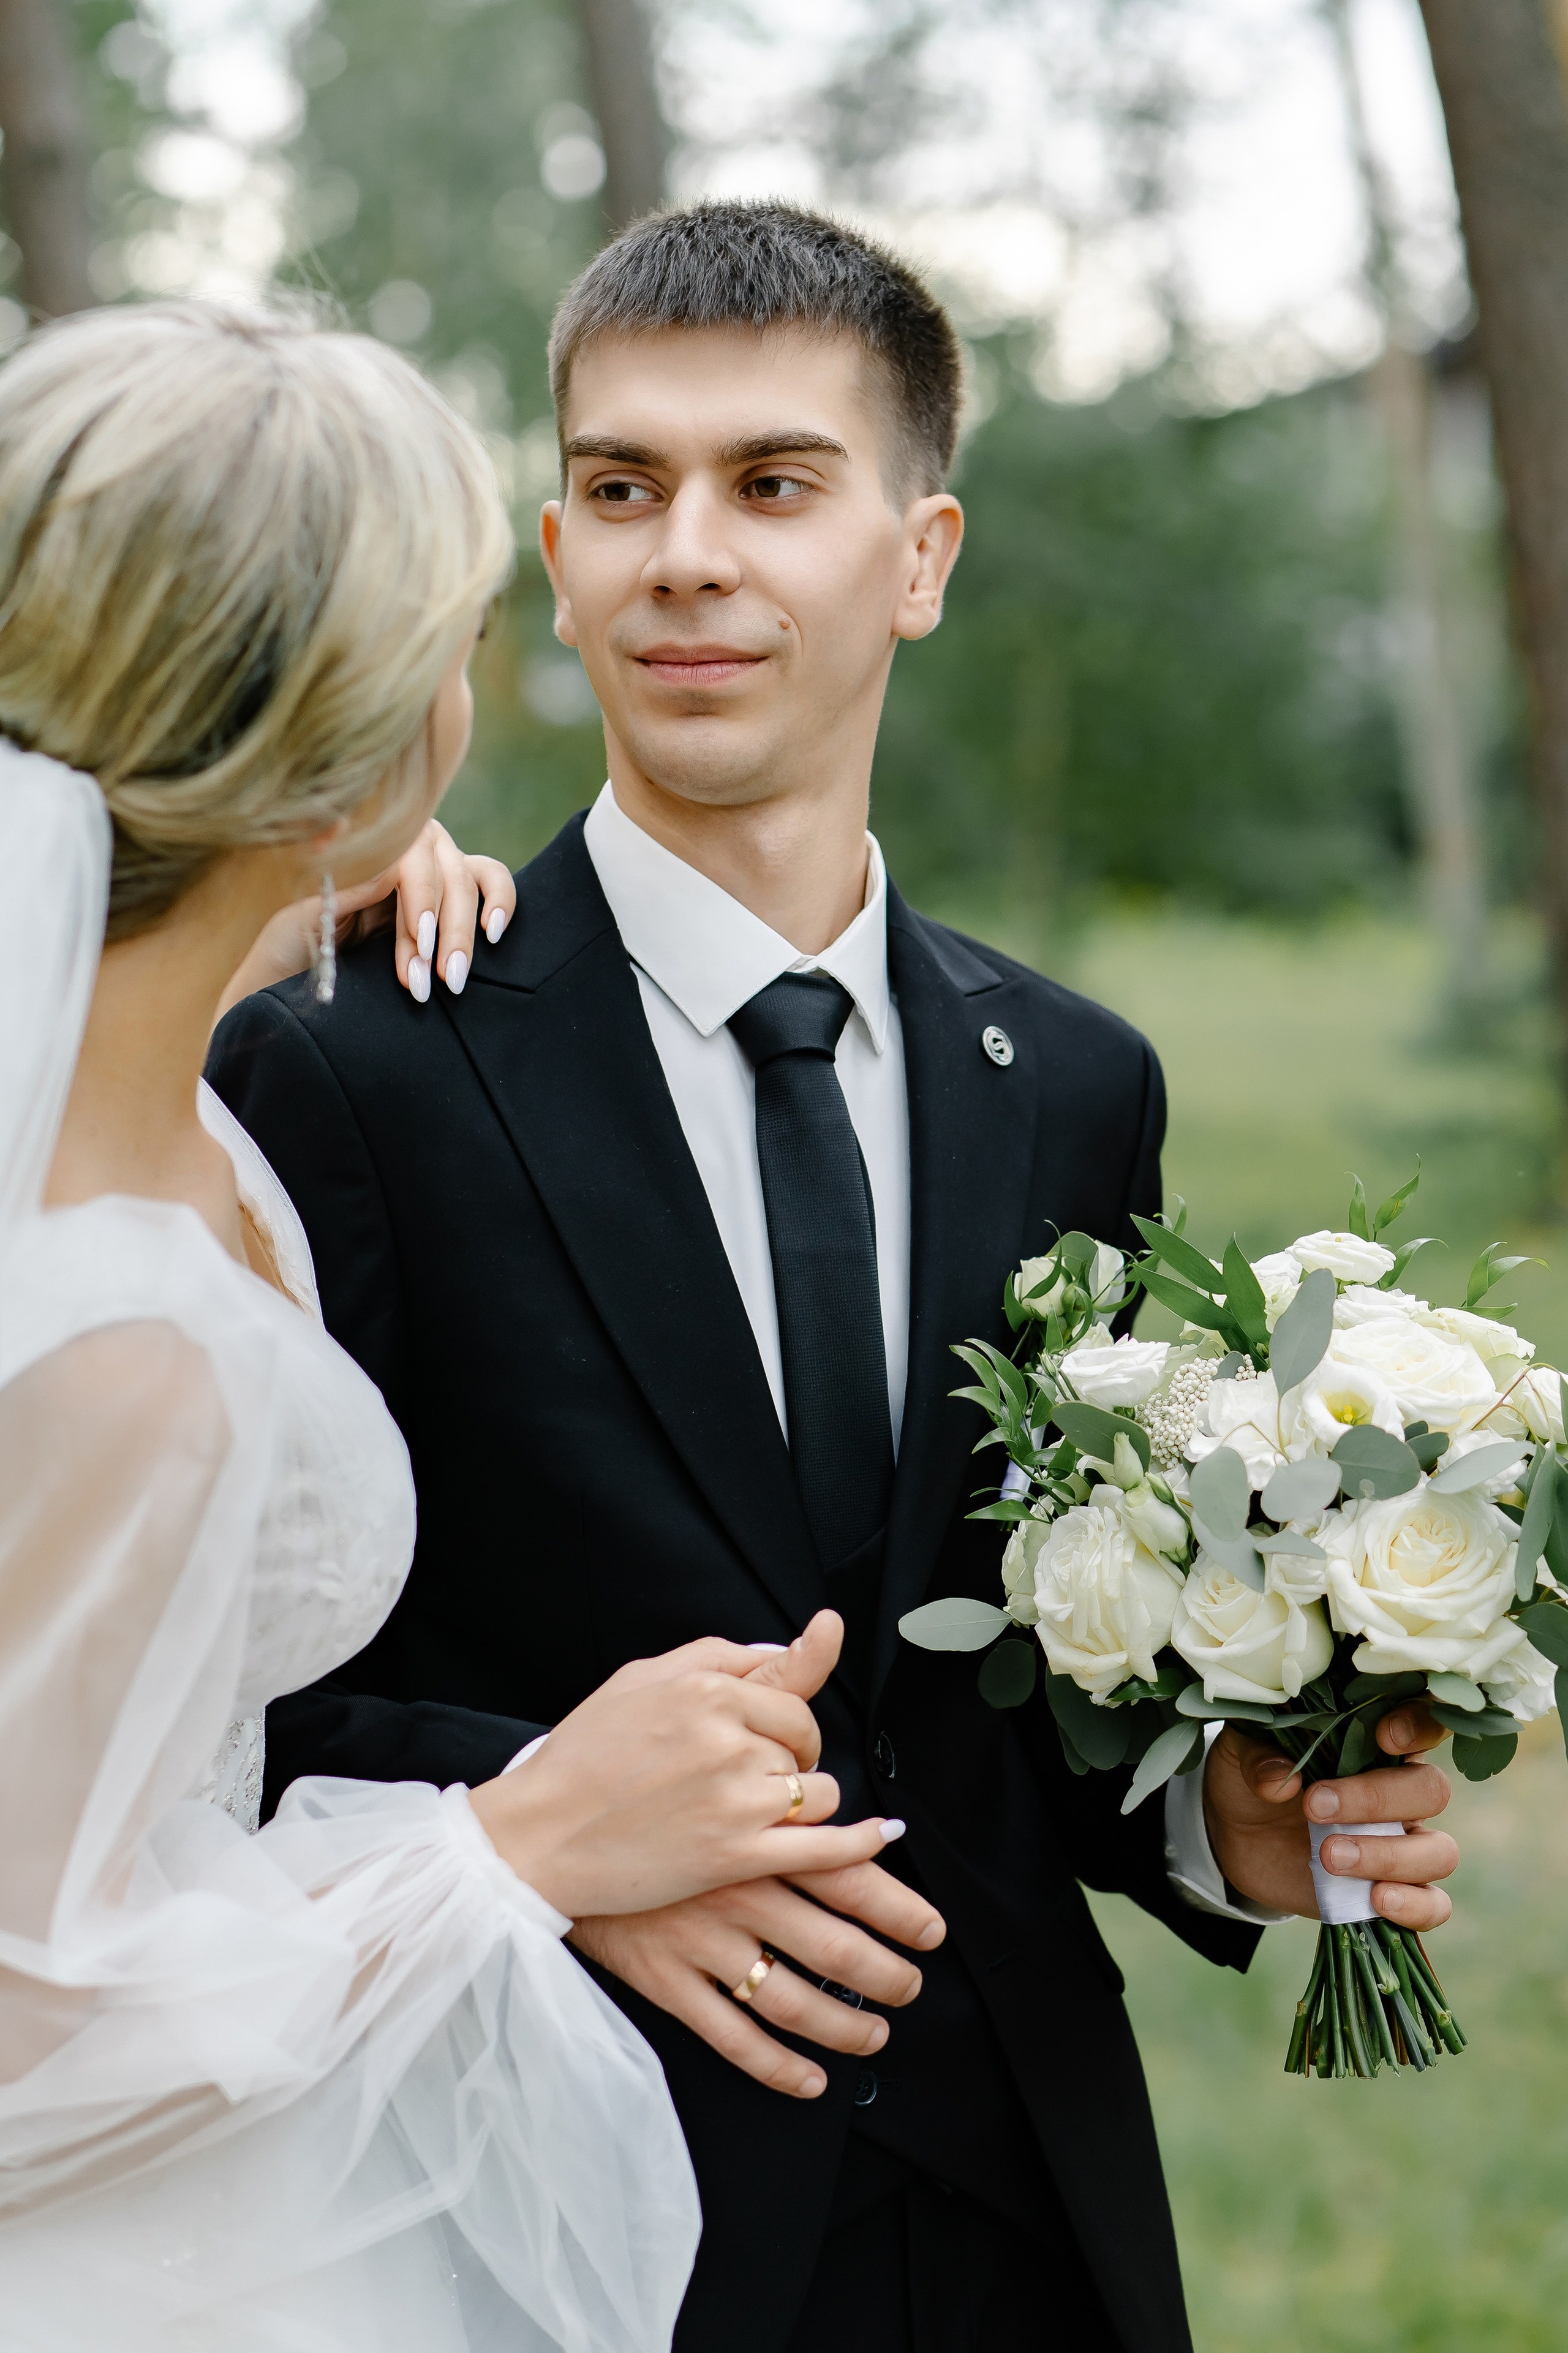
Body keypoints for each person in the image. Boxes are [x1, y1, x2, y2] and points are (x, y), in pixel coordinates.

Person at [209, 203, 1463, 2353]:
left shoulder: (1076, 1082)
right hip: (556, 2213)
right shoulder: (347, 1060)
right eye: (623, 489)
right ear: (558, 551)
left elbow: (1031, 1683)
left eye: (773, 483)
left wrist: (1220, 1822)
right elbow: (217, 1702)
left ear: (921, 557)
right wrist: (537, 1826)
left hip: (1020, 2213)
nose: (685, 551)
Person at [0, 296, 944, 2352]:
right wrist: (512, 1843)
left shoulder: (160, 1058)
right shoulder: (113, 1343)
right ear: (353, 726)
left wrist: (296, 886)